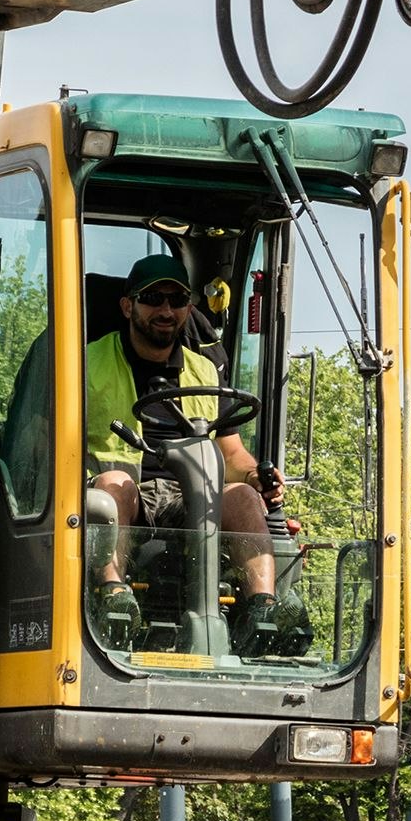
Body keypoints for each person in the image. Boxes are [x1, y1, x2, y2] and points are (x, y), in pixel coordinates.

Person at [79, 254, 296, 656]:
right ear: (128, 306)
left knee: (244, 499)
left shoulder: (205, 371)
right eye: (153, 298)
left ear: (189, 308)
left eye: (177, 299)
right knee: (115, 486)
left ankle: (264, 612)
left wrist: (253, 476)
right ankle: (111, 599)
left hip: (190, 495)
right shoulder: (85, 362)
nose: (166, 310)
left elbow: (230, 450)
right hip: (124, 491)